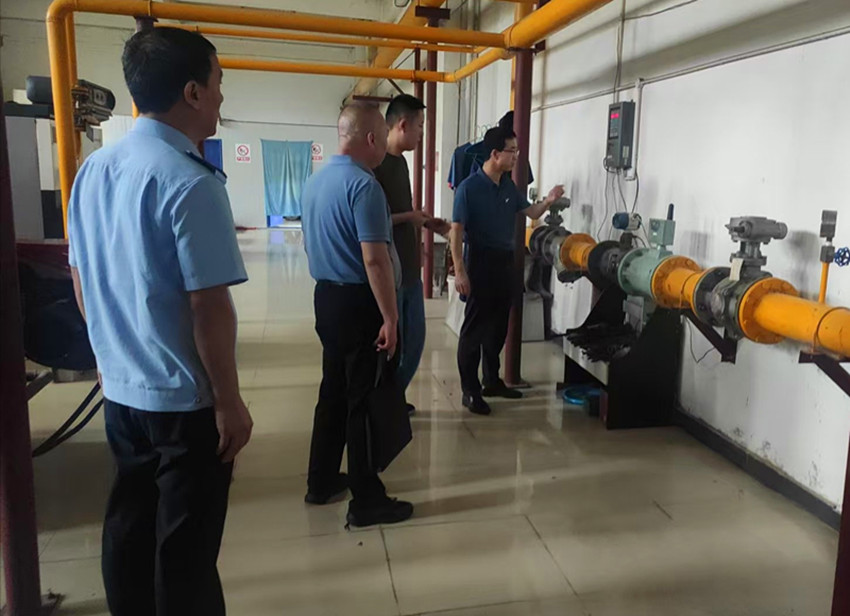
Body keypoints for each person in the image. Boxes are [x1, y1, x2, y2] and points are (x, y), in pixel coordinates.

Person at [67, 27, 252, 616]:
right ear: (193, 92)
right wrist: (229, 401)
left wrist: (108, 353)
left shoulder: (94, 170)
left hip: (121, 390)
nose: (221, 96)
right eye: (218, 82)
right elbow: (208, 307)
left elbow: (80, 275)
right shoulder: (190, 181)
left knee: (130, 525)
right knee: (185, 551)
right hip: (183, 405)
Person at [301, 102, 414, 527]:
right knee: (364, 399)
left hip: (327, 299)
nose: (385, 146)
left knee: (333, 389)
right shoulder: (364, 187)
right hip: (359, 304)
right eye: (383, 138)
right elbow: (375, 260)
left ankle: (322, 480)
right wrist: (390, 317)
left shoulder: (315, 181)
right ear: (370, 139)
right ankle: (367, 500)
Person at [450, 126, 565, 416]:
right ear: (495, 154)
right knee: (474, 329)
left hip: (506, 261)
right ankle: (470, 391)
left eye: (517, 151)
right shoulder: (468, 188)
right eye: (512, 151)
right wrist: (460, 271)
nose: (516, 157)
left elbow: (531, 213)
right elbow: (456, 232)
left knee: (498, 325)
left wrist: (549, 200)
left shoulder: (509, 187)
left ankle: (491, 380)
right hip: (480, 262)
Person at [374, 94, 450, 414]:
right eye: (419, 127)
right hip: (390, 274)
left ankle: (391, 400)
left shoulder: (401, 163)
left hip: (410, 270)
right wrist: (410, 217)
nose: (421, 134)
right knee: (394, 345)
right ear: (402, 125)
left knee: (414, 342)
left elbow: (402, 213)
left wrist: (427, 222)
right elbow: (374, 222)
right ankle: (384, 405)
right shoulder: (376, 165)